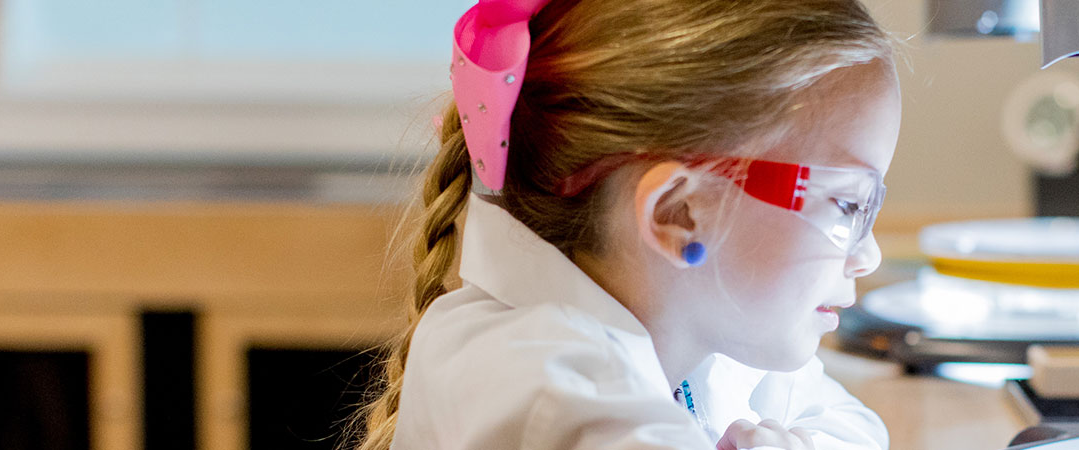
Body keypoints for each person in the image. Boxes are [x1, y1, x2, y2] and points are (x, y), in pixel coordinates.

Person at [354, 0, 901, 448]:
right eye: (849, 206)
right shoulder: (551, 395)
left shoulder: (704, 329)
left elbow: (854, 426)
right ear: (677, 214)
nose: (867, 255)